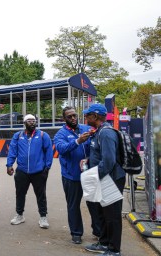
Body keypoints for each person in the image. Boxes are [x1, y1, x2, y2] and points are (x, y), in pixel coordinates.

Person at [54, 106, 102, 244]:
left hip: (90, 173)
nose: (73, 118)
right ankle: (76, 233)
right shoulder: (60, 134)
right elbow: (61, 150)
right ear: (64, 119)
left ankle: (98, 231)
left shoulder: (86, 128)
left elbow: (95, 147)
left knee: (94, 203)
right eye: (69, 116)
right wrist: (77, 141)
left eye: (74, 115)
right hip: (71, 176)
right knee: (73, 205)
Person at [83, 104, 126, 256]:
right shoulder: (99, 132)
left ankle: (114, 250)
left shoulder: (106, 134)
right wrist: (88, 160)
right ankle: (105, 243)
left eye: (87, 115)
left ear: (95, 116)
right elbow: (101, 155)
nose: (85, 118)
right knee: (104, 214)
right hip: (105, 178)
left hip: (111, 179)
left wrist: (93, 176)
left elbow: (108, 162)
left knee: (112, 216)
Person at [6, 114, 53, 228]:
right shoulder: (18, 136)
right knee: (20, 194)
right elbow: (12, 150)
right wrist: (9, 164)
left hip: (38, 171)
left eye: (34, 121)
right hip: (22, 171)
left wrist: (47, 167)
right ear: (24, 123)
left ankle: (43, 217)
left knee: (41, 195)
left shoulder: (42, 135)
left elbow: (49, 152)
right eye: (29, 121)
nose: (32, 122)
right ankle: (19, 215)